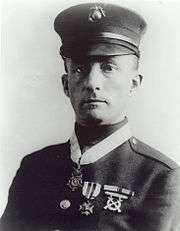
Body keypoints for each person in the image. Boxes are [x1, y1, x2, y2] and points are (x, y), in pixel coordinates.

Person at [1, 2, 180, 231]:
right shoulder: (34, 168)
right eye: (79, 69)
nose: (92, 83)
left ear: (133, 84)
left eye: (108, 67)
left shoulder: (159, 177)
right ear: (66, 85)